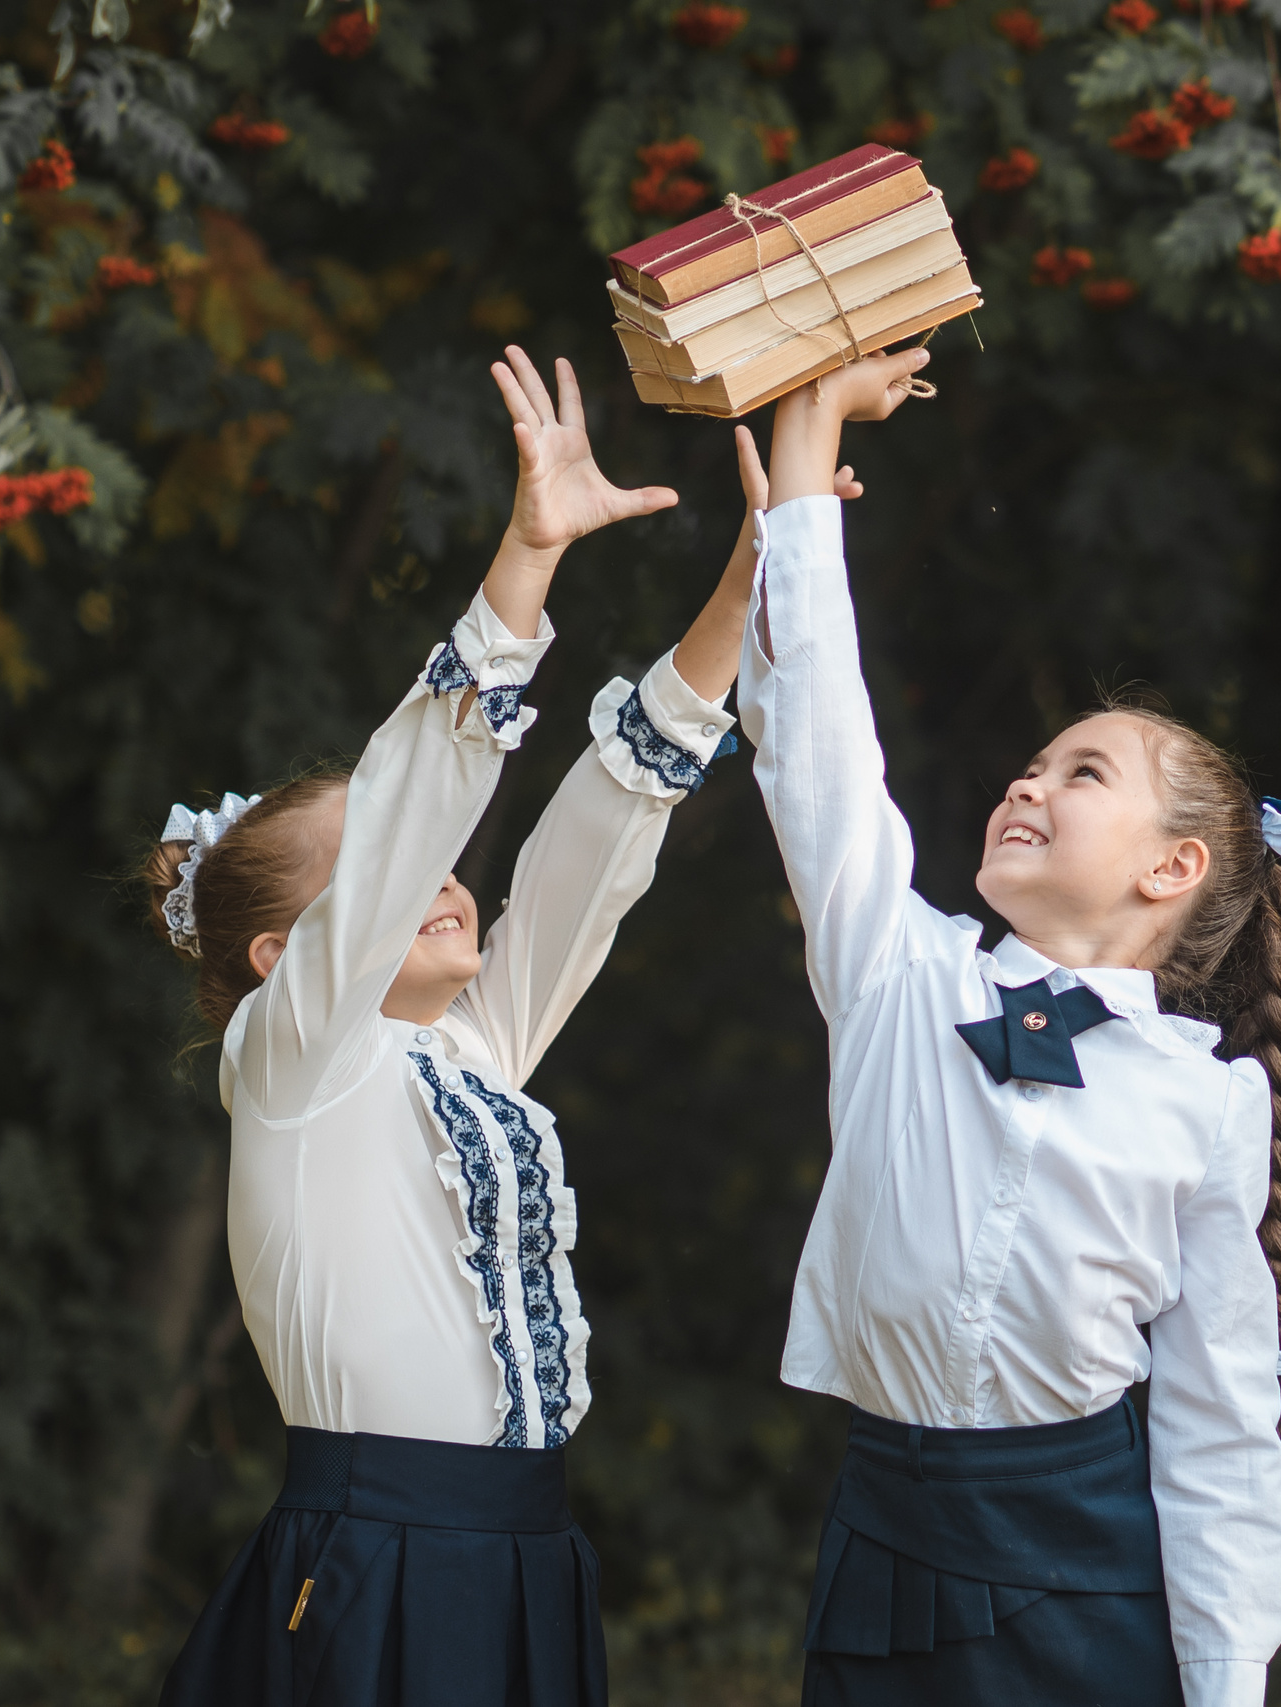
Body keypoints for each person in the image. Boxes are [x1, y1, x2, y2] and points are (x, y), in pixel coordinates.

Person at [143, 348, 813, 1707]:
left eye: (451, 863)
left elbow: (602, 837)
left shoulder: (465, 1055)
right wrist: (527, 555)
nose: (447, 877)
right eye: (390, 876)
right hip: (379, 1559)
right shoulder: (290, 1063)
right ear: (283, 959)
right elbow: (404, 814)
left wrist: (754, 569)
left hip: (522, 1550)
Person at [732, 348, 1281, 1707]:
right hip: (887, 1541)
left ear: (1170, 870)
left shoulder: (1207, 1103)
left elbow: (1215, 1417)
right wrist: (803, 471)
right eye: (1031, 762)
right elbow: (818, 747)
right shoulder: (901, 972)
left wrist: (1226, 1682)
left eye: (1083, 772)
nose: (1029, 780)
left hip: (1087, 1569)